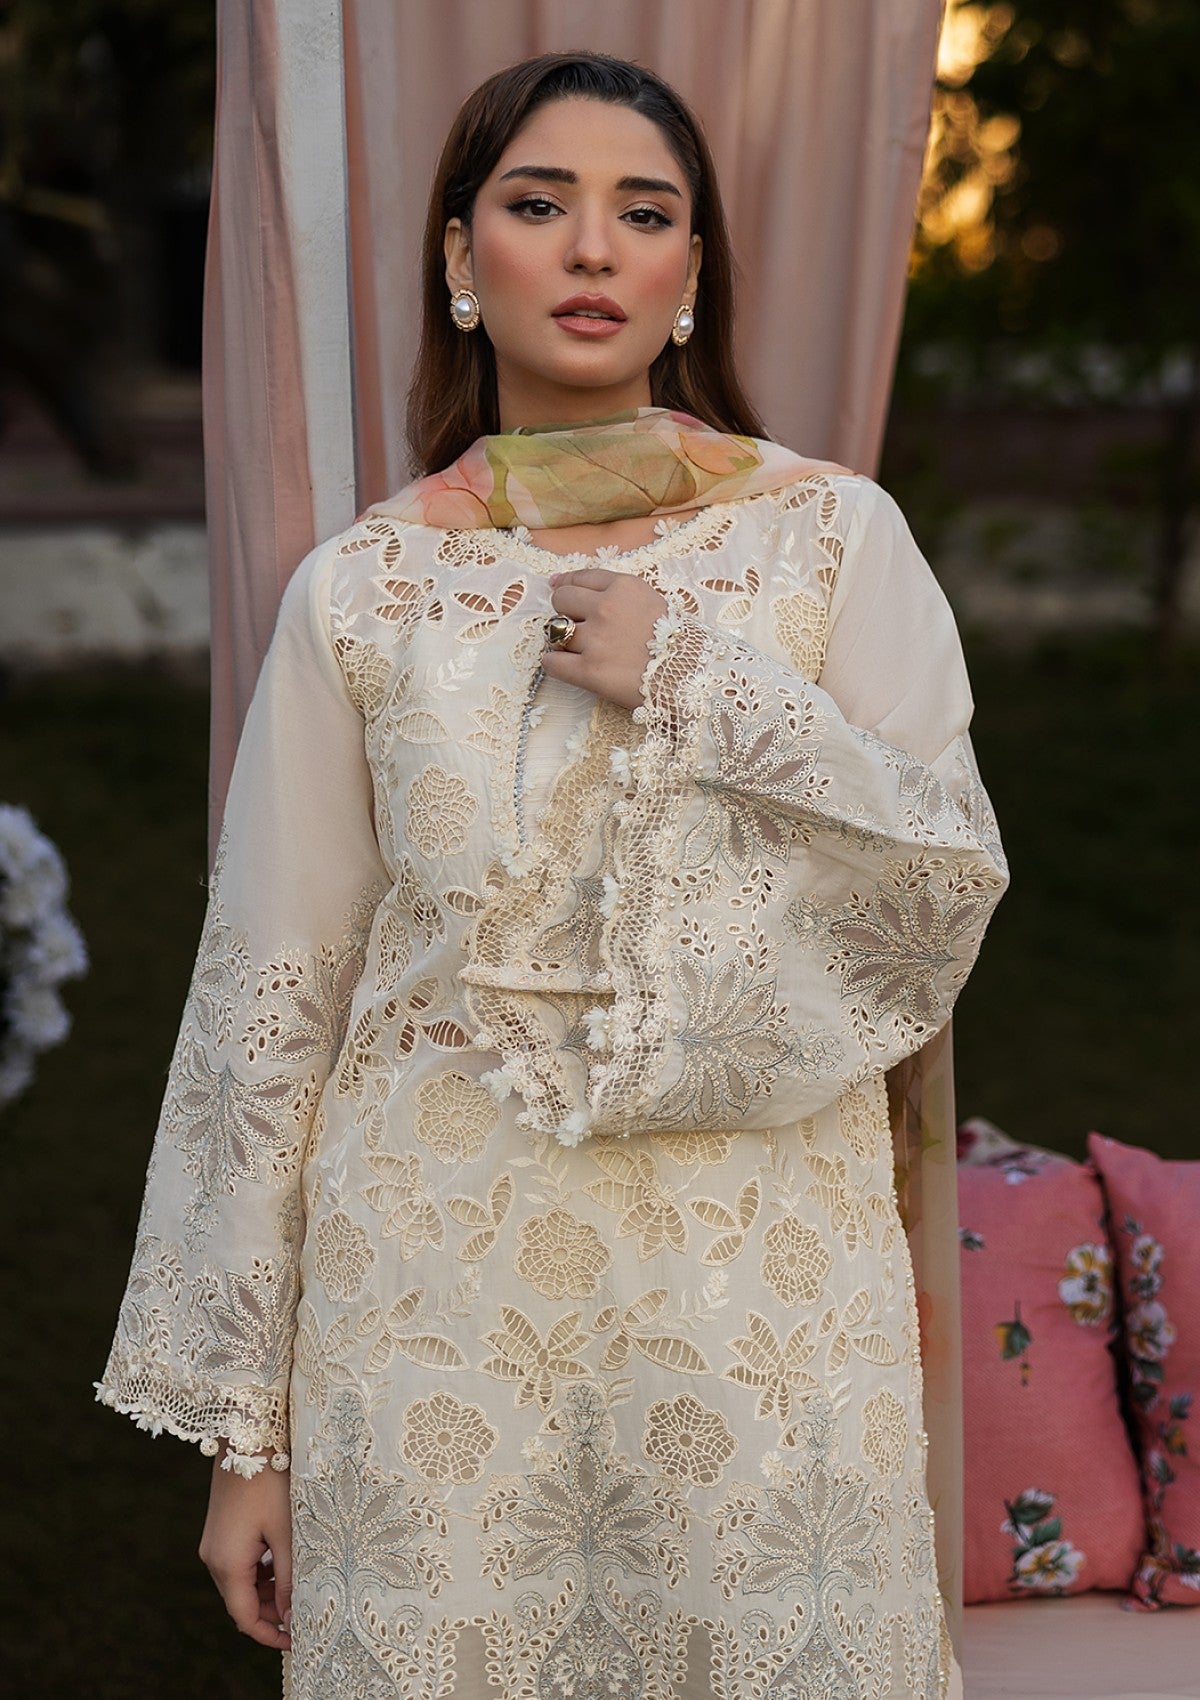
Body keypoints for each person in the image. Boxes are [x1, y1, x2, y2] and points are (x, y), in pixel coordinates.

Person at [98, 50, 1007, 1700]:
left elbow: (937, 880)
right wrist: (249, 1441)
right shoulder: (364, 590)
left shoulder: (831, 538)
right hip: (430, 1310)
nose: (593, 248)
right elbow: (270, 1003)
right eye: (540, 204)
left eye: (643, 214)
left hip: (754, 1294)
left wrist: (699, 685)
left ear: (690, 273)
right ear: (461, 257)